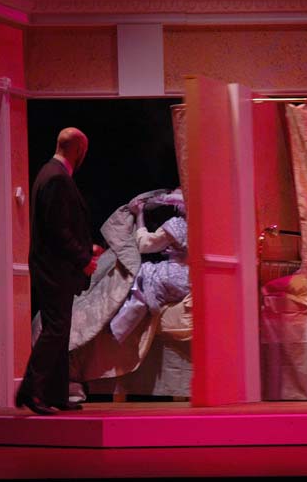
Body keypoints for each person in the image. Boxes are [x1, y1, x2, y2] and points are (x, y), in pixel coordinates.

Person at [15, 127, 101, 415]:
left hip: (53, 267)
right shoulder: (57, 178)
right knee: (56, 329)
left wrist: (86, 248)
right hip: (54, 269)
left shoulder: (49, 174)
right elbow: (58, 230)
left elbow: (59, 225)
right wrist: (83, 258)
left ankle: (55, 393)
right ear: (78, 150)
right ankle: (31, 391)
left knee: (59, 330)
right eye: (84, 152)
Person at [109, 194, 189, 344]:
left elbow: (144, 244)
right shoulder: (207, 226)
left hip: (175, 276)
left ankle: (117, 329)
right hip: (190, 283)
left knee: (141, 276)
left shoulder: (179, 225)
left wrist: (139, 214)